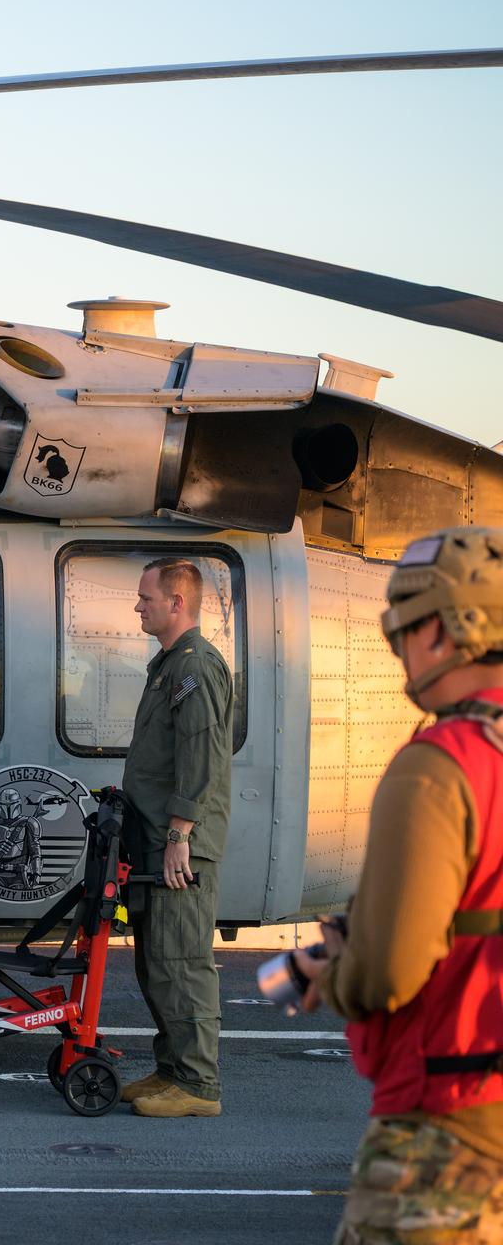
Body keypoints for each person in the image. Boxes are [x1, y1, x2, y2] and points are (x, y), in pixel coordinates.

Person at [292, 526, 503, 1242]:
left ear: (443, 629)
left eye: (401, 630)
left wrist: (335, 975)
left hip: (447, 1128)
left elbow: (387, 972)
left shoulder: (440, 766)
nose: (399, 652)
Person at [119, 557, 234, 1118]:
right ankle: (171, 1069)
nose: (139, 606)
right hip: (158, 838)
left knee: (182, 958)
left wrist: (180, 833)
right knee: (157, 960)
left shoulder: (195, 667)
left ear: (177, 603)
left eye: (146, 598)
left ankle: (198, 1084)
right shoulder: (168, 665)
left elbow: (202, 756)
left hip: (178, 844)